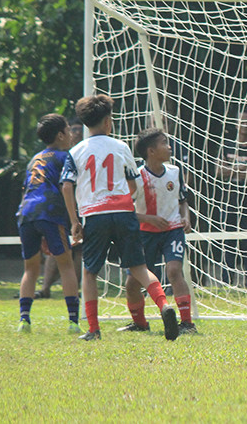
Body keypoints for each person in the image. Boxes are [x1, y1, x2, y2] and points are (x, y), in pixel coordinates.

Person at [60, 94, 180, 341]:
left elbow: (66, 186)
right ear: (107, 122)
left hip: (95, 215)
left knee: (90, 272)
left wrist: (74, 221)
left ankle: (93, 328)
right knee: (140, 268)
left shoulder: (76, 151)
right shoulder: (121, 147)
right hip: (125, 213)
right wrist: (123, 199)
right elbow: (135, 185)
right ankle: (164, 305)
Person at [122, 128, 197, 335]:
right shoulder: (137, 177)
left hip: (172, 230)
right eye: (164, 143)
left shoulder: (174, 171)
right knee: (132, 283)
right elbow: (126, 210)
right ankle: (139, 323)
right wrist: (149, 219)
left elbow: (183, 201)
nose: (169, 147)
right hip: (145, 233)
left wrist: (185, 217)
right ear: (151, 151)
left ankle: (187, 323)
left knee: (174, 270)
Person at [15, 113, 81, 334]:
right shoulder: (65, 156)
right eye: (69, 130)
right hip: (50, 212)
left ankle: (24, 319)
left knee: (30, 269)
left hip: (26, 214)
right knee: (66, 264)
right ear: (61, 134)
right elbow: (68, 187)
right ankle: (73, 321)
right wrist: (74, 221)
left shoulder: (34, 158)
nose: (72, 134)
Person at [36, 116, 85, 299]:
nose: (76, 133)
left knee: (79, 249)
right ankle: (45, 287)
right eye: (73, 129)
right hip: (57, 208)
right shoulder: (61, 157)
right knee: (54, 249)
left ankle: (77, 289)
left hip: (76, 204)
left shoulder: (79, 153)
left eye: (79, 130)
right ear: (63, 134)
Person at [215, 109, 247, 286]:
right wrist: (242, 170)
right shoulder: (226, 145)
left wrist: (233, 170)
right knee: (228, 240)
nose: (245, 125)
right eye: (241, 121)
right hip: (228, 200)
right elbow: (219, 171)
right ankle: (227, 281)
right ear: (236, 124)